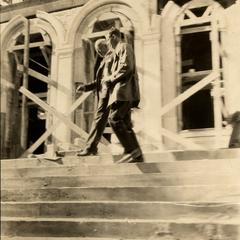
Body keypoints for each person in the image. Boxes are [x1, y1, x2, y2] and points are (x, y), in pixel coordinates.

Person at [104, 27, 144, 163]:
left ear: (113, 37)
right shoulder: (118, 51)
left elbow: (127, 66)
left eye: (107, 39)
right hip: (123, 92)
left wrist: (110, 78)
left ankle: (132, 151)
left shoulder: (124, 46)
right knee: (125, 124)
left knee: (114, 119)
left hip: (123, 92)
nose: (107, 43)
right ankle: (135, 154)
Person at [76, 38, 113, 156]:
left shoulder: (112, 57)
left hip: (110, 94)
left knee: (102, 120)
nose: (98, 52)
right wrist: (86, 87)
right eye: (97, 50)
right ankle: (91, 147)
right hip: (109, 94)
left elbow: (110, 78)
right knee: (104, 120)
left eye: (99, 49)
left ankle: (91, 147)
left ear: (105, 46)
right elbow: (100, 81)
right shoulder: (106, 59)